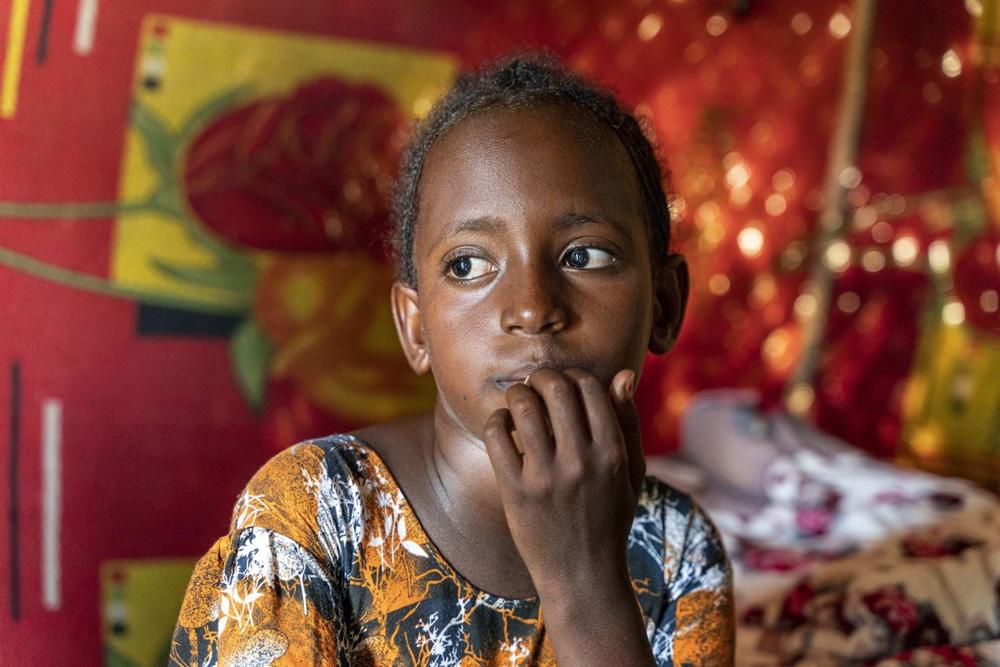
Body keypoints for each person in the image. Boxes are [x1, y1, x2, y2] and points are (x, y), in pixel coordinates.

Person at [169, 52, 734, 666]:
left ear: (664, 305)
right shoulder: (315, 512)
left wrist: (585, 586)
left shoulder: (677, 550)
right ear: (415, 329)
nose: (532, 307)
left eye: (585, 256)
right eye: (469, 266)